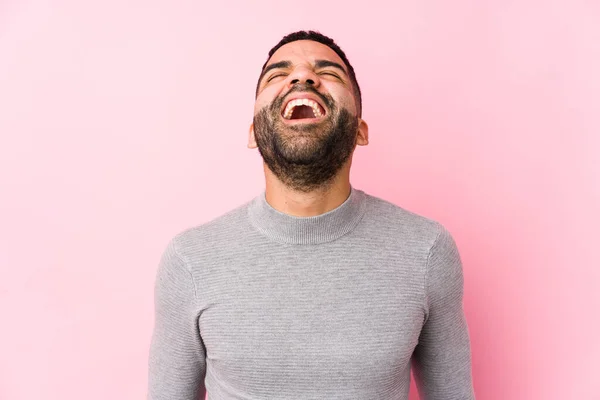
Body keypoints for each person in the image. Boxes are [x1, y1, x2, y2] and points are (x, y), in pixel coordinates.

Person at [147, 30, 475, 400]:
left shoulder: (427, 250)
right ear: (254, 132)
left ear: (360, 131)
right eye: (277, 75)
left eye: (329, 73)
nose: (302, 78)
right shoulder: (191, 259)